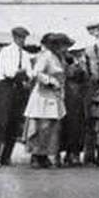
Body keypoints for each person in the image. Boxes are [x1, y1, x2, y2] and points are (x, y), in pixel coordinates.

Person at [23, 33, 71, 168]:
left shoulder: (58, 58)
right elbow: (36, 73)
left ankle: (44, 155)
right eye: (63, 45)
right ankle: (36, 156)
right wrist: (50, 81)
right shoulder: (46, 56)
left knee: (50, 127)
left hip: (54, 97)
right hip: (43, 96)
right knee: (41, 126)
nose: (65, 48)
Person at [0, 26, 32, 166]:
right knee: (2, 122)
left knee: (14, 124)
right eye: (20, 37)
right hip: (6, 87)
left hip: (19, 89)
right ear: (14, 37)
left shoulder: (26, 55)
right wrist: (20, 72)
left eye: (24, 38)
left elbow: (30, 73)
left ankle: (6, 156)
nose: (22, 40)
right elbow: (8, 72)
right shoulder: (6, 51)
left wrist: (25, 75)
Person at [60, 40, 89, 167]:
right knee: (71, 125)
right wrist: (79, 66)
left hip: (79, 96)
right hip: (71, 95)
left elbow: (87, 77)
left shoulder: (81, 63)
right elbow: (70, 74)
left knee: (78, 125)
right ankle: (70, 153)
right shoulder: (68, 63)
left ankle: (74, 153)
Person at [81, 21, 99, 165]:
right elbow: (90, 66)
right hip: (91, 84)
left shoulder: (97, 45)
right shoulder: (89, 45)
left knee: (94, 119)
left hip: (96, 83)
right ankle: (89, 154)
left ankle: (92, 154)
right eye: (96, 30)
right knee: (90, 118)